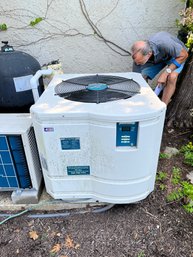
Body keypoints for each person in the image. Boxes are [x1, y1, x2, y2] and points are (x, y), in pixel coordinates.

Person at [131, 31, 189, 105]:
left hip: (176, 56)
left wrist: (165, 73)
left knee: (172, 77)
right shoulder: (139, 59)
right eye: (137, 62)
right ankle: (145, 103)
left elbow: (184, 55)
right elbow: (137, 79)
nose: (137, 64)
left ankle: (162, 107)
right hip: (157, 59)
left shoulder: (165, 43)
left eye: (140, 62)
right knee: (141, 77)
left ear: (149, 54)